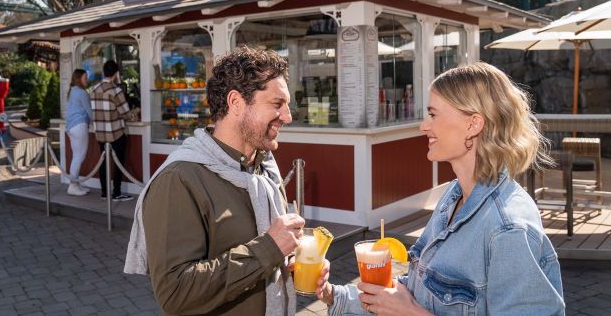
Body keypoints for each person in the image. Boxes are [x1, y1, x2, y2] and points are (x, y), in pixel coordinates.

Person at [316, 62, 564, 315]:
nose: (424, 125)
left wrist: (412, 313)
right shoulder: (453, 197)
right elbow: (419, 291)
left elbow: (412, 307)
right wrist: (332, 295)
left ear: (473, 124)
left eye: (433, 114)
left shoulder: (508, 228)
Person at [124, 47, 305, 315]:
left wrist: (292, 262)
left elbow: (270, 254)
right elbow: (176, 293)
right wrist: (269, 249)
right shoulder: (180, 179)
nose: (288, 116)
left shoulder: (264, 167)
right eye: (277, 104)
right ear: (236, 103)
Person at [90, 60, 133, 201]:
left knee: (103, 162)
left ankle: (104, 192)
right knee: (118, 162)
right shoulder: (115, 91)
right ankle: (116, 193)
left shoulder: (94, 89)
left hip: (100, 133)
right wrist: (134, 114)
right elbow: (125, 113)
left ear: (104, 72)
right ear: (116, 74)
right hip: (116, 133)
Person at [64, 69, 93, 196]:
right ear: (79, 78)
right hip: (80, 126)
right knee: (79, 156)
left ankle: (75, 184)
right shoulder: (82, 93)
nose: (87, 80)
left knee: (77, 156)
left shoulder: (73, 91)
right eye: (85, 77)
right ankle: (73, 185)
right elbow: (90, 112)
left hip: (71, 127)